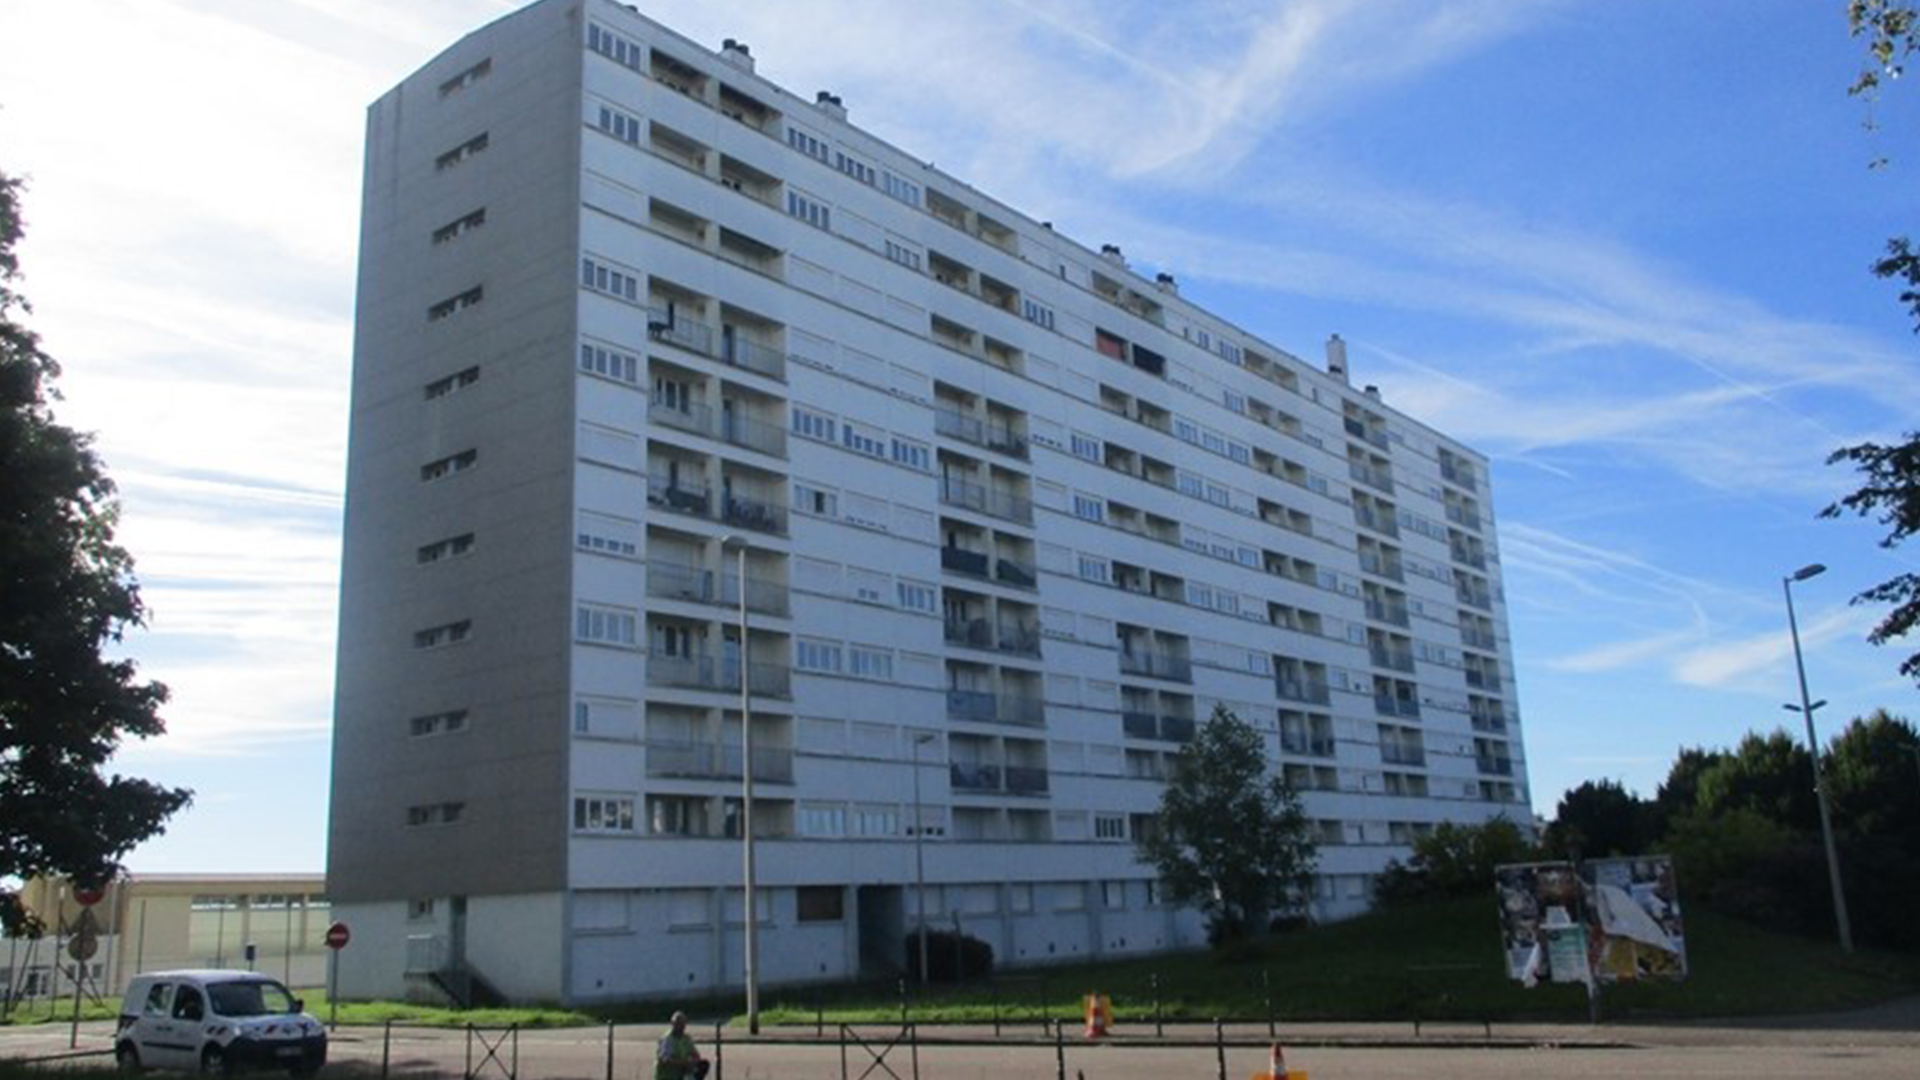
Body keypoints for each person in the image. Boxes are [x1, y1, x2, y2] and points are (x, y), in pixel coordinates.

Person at [655, 1011, 708, 1080]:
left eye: (683, 1024)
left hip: (682, 1073)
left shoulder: (686, 1038)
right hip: (667, 1076)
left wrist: (692, 1062)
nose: (681, 1027)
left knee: (703, 1065)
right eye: (679, 1024)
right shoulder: (668, 1039)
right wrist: (682, 1063)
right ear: (673, 1024)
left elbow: (695, 1054)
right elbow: (665, 1060)